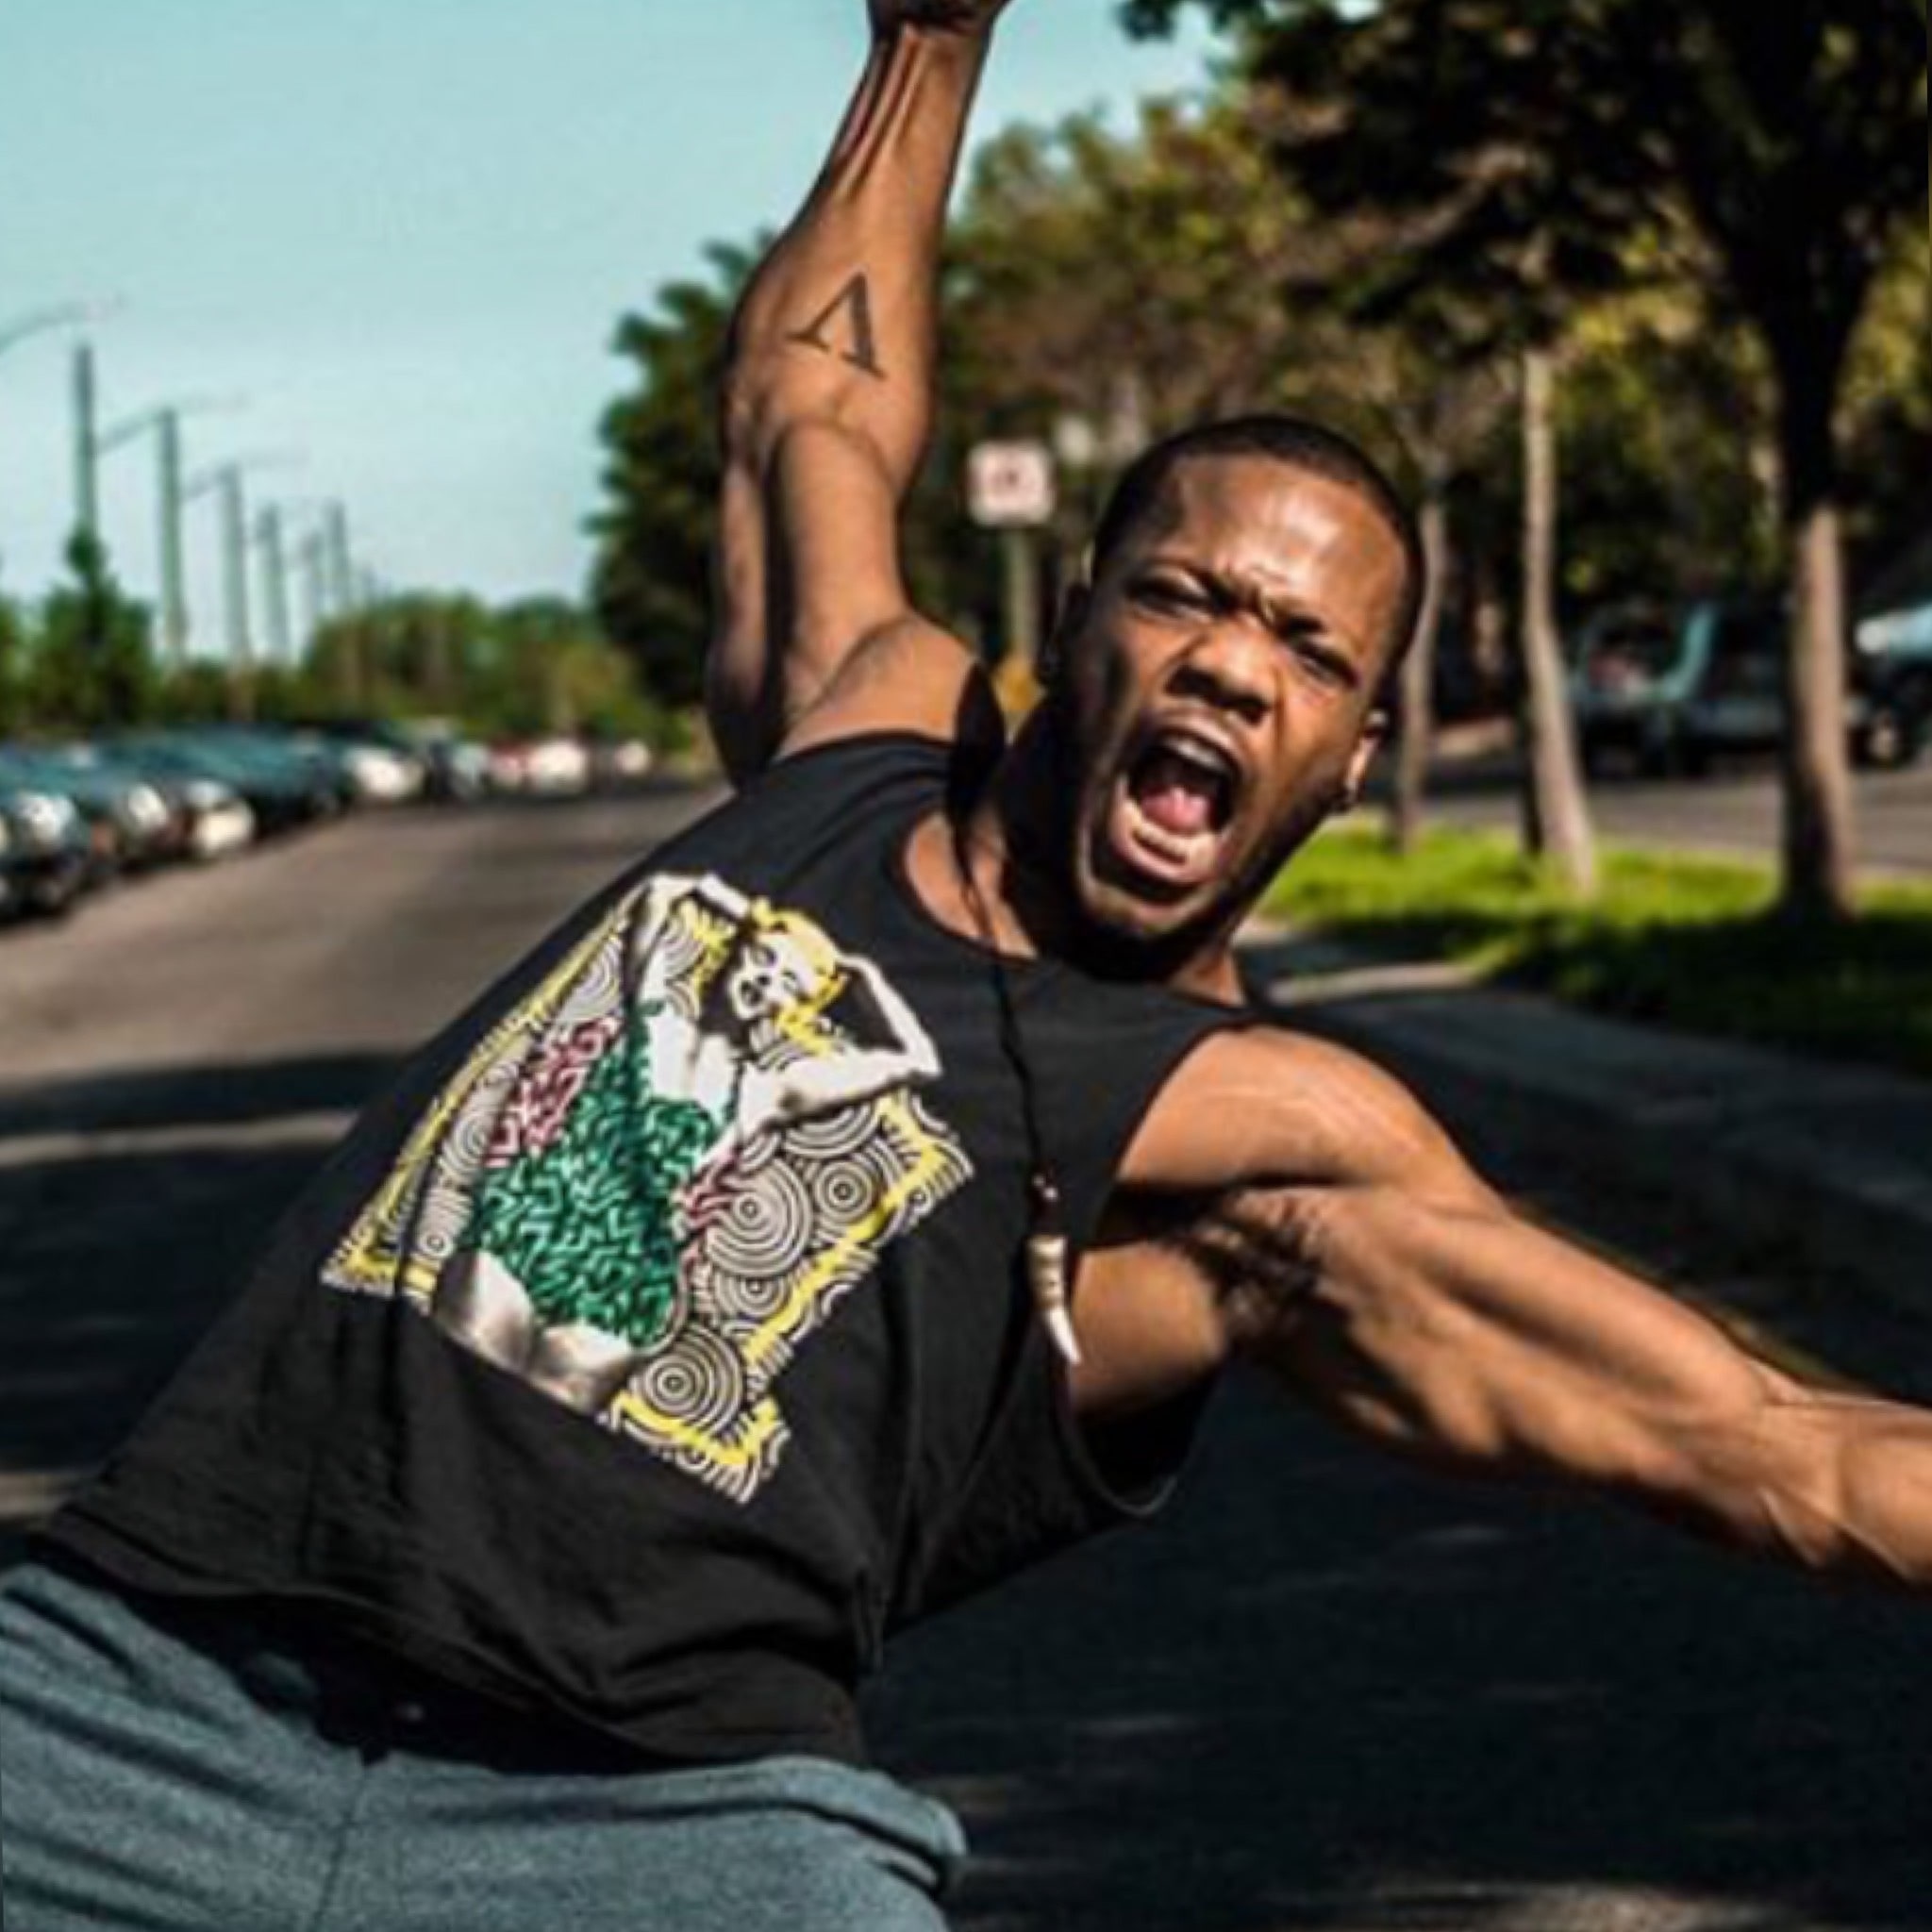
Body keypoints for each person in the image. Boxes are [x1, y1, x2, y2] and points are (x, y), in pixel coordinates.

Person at [2, 2, 1927, 1927]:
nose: (1234, 658)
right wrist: (929, 43)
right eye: (1184, 592)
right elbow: (808, 411)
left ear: (1347, 757)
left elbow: (1755, 1440)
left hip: (666, 1833)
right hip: (125, 1694)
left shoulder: (1262, 1141)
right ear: (1076, 622)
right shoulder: (874, 721)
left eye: (1307, 650)